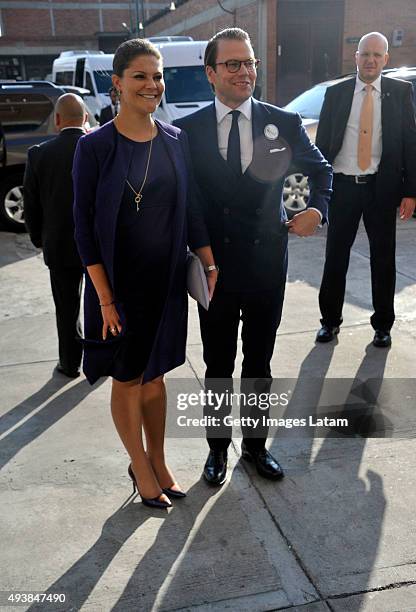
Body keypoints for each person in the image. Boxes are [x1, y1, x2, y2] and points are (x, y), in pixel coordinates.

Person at [174, 28, 332, 486]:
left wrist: (317, 210)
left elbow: (320, 171)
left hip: (266, 263)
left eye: (250, 63)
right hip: (214, 268)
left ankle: (257, 447)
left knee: (259, 360)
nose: (245, 72)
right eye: (233, 64)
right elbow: (189, 202)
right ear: (210, 73)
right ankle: (218, 449)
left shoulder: (282, 122)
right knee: (219, 362)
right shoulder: (187, 130)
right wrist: (200, 255)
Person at [73, 39, 215, 509]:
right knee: (128, 377)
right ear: (116, 83)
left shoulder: (175, 140)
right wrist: (105, 300)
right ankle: (139, 464)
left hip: (167, 282)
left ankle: (158, 458)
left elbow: (193, 210)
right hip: (118, 287)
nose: (152, 85)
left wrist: (208, 262)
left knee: (157, 378)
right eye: (140, 76)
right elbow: (83, 227)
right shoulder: (94, 147)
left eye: (157, 76)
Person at [315, 32, 416, 348]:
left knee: (383, 259)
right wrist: (320, 192)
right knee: (335, 258)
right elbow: (322, 146)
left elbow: (411, 143)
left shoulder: (400, 92)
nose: (370, 60)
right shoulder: (337, 93)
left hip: (381, 189)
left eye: (377, 55)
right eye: (365, 54)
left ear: (386, 59)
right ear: (355, 57)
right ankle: (329, 322)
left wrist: (410, 192)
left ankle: (382, 326)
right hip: (343, 187)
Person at [24, 93, 88, 378]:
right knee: (104, 305)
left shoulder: (39, 153)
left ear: (58, 120)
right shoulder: (99, 148)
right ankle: (105, 360)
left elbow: (31, 204)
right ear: (86, 118)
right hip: (98, 246)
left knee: (67, 308)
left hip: (59, 246)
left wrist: (39, 239)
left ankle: (70, 363)